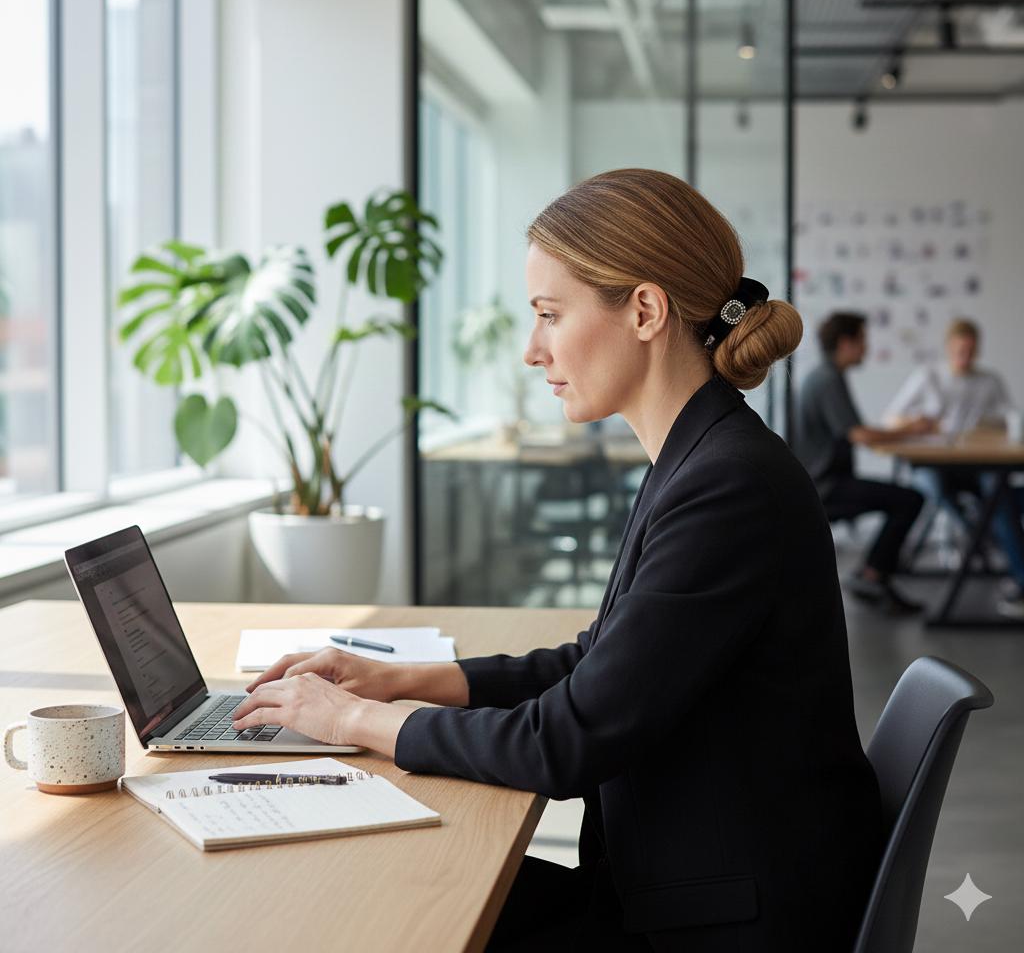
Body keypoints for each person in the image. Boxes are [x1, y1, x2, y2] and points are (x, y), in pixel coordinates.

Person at [231, 169, 883, 952]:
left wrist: (355, 720)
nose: (531, 350)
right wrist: (400, 680)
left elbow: (565, 743)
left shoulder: (729, 486)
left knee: (383, 901)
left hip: (720, 920)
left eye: (549, 315)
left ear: (644, 310)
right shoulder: (701, 458)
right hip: (687, 885)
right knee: (388, 878)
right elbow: (599, 665)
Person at [884, 318, 1024, 617]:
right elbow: (891, 419)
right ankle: (979, 535)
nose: (966, 356)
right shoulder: (928, 376)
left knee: (999, 492)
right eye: (961, 349)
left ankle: (993, 546)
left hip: (974, 464)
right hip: (934, 464)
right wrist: (919, 424)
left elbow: (1010, 418)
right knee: (937, 487)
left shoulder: (989, 381)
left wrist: (991, 427)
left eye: (972, 350)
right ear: (949, 348)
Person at [793, 312, 929, 613]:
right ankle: (873, 574)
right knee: (910, 500)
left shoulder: (827, 375)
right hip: (825, 487)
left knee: (906, 499)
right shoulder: (827, 379)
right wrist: (911, 430)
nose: (866, 348)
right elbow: (860, 435)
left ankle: (872, 574)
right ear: (846, 343)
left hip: (822, 481)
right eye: (863, 341)